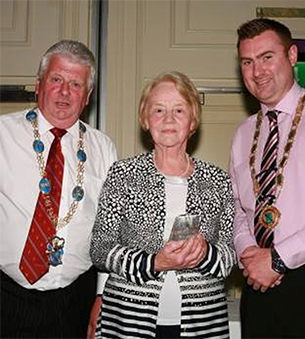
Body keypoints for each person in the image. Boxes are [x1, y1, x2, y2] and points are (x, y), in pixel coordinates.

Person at [90, 71, 236, 339]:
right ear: (145, 119)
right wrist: (154, 262)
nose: (168, 119)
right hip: (128, 322)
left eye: (179, 110)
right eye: (158, 110)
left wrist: (205, 254)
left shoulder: (218, 181)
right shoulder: (123, 175)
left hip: (202, 324)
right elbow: (100, 249)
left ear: (193, 120)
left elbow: (231, 255)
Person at [229, 18, 305, 338]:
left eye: (267, 57)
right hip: (258, 286)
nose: (257, 70)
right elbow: (238, 207)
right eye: (247, 62)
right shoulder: (243, 132)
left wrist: (278, 259)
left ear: (292, 56)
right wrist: (248, 253)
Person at [0, 40, 117, 338]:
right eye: (56, 80)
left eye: (76, 84)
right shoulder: (3, 134)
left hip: (75, 300)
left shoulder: (103, 148)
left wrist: (102, 297)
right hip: (6, 295)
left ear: (88, 96)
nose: (65, 92)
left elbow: (109, 229)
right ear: (39, 85)